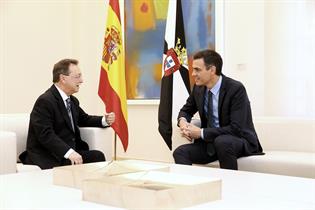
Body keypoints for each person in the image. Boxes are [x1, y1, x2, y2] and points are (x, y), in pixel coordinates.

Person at [173, 49, 263, 170]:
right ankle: (194, 186)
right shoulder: (198, 89)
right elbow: (186, 110)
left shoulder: (236, 89)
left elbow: (236, 128)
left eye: (197, 70)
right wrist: (183, 123)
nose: (193, 74)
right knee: (180, 152)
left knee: (222, 142)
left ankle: (229, 187)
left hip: (238, 141)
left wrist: (201, 133)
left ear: (212, 70)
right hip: (211, 143)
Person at [19, 59, 115, 169]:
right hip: (49, 154)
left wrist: (104, 120)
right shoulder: (45, 101)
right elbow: (45, 134)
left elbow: (84, 119)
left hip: (67, 153)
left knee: (97, 156)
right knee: (72, 164)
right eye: (77, 76)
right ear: (63, 78)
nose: (82, 80)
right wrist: (69, 153)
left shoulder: (72, 101)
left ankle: (93, 186)